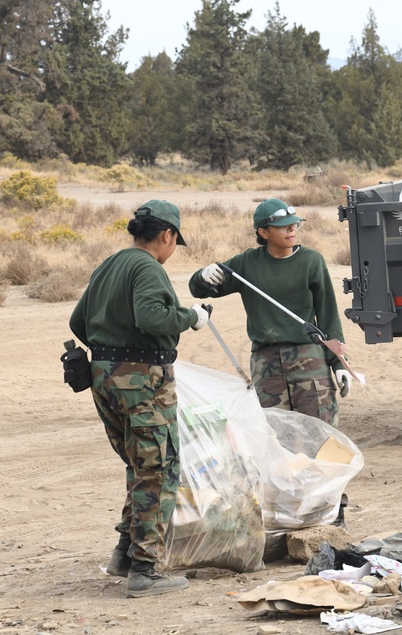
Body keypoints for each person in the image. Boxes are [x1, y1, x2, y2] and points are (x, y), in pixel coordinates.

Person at [69, 199, 209, 598]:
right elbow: (152, 317)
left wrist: (110, 342)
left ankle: (124, 555)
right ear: (167, 235)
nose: (170, 251)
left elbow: (77, 321)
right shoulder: (147, 267)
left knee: (139, 465)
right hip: (142, 380)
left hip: (104, 377)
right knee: (159, 470)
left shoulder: (111, 264)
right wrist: (190, 317)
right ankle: (146, 571)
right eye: (173, 243)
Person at [189, 198, 351, 427]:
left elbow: (328, 316)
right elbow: (199, 290)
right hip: (266, 364)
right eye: (283, 226)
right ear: (263, 232)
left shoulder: (311, 261)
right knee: (275, 435)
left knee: (320, 432)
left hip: (309, 359)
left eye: (294, 224)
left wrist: (339, 364)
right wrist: (202, 276)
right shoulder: (247, 263)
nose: (292, 229)